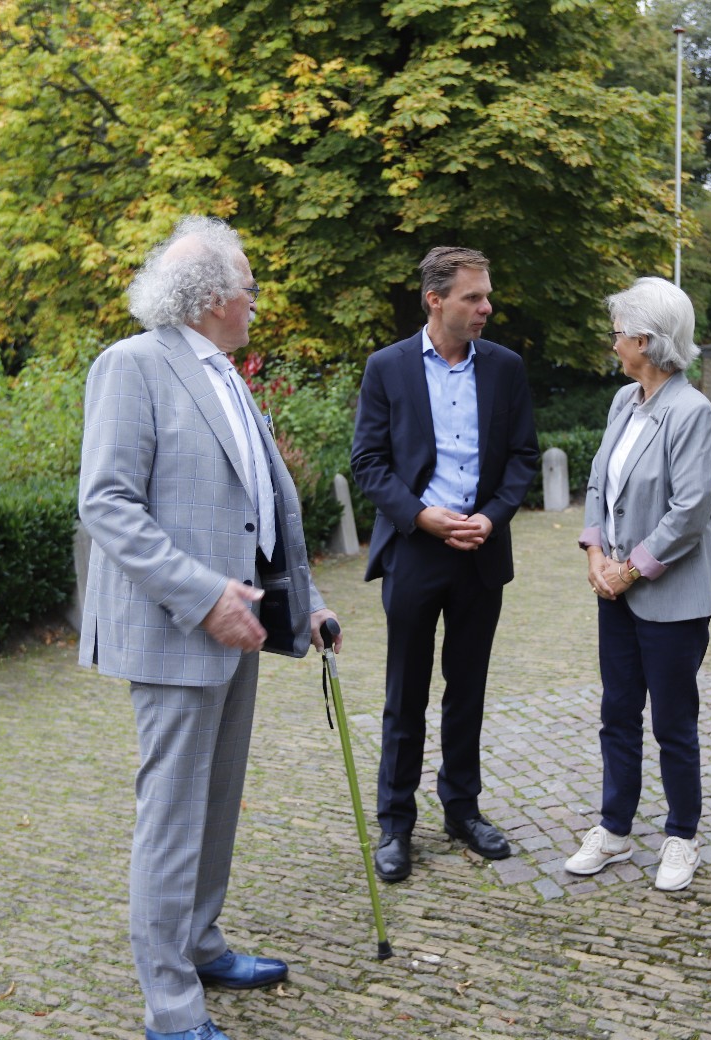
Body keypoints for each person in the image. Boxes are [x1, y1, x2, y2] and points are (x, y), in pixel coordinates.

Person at [78, 216, 340, 1040]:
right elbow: (106, 503)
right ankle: (170, 1009)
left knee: (216, 802)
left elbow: (261, 508)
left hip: (240, 626)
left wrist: (306, 601)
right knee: (171, 818)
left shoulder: (223, 372)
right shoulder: (132, 365)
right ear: (213, 296)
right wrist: (202, 596)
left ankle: (199, 944)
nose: (258, 300)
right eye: (250, 286)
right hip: (179, 629)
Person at [350, 246, 539, 883]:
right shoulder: (387, 367)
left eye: (487, 296)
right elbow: (368, 461)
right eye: (473, 297)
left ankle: (462, 809)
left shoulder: (506, 367)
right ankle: (395, 824)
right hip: (415, 550)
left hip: (481, 553)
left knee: (468, 690)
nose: (487, 308)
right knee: (405, 693)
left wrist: (494, 515)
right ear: (436, 301)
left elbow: (523, 456)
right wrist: (419, 515)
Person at [564, 276, 711, 893]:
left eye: (618, 333)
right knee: (617, 712)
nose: (613, 342)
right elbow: (598, 482)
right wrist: (594, 552)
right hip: (615, 591)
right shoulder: (623, 403)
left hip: (669, 598)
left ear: (646, 340)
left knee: (673, 724)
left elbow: (689, 513)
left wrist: (627, 570)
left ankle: (682, 835)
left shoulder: (692, 412)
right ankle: (614, 829)